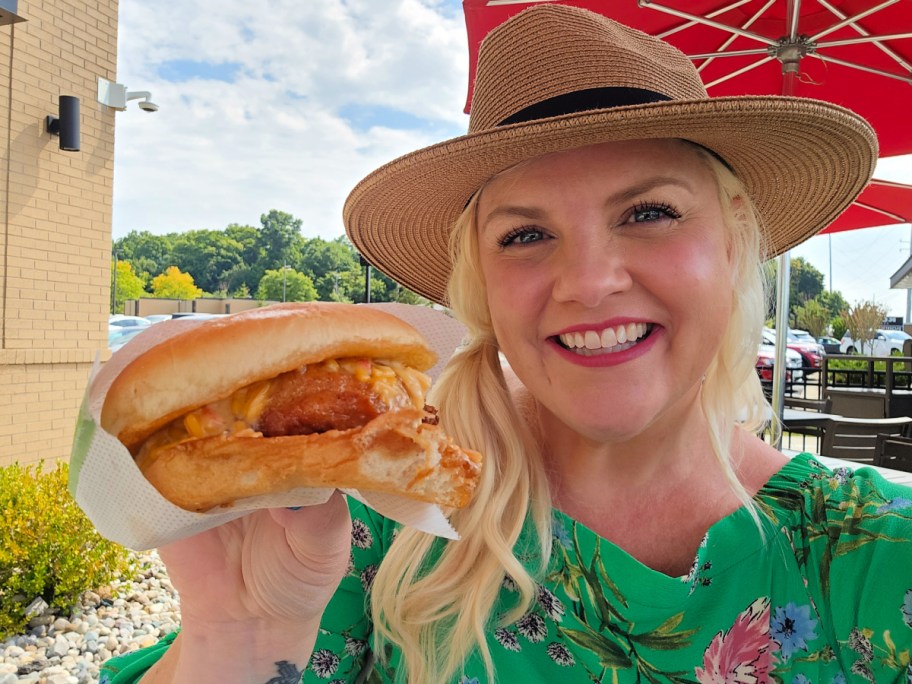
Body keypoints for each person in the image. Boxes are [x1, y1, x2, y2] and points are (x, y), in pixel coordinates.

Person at [100, 5, 912, 683]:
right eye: (525, 233)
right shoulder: (375, 522)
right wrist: (238, 637)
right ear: (480, 282)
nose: (589, 282)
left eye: (650, 212)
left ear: (735, 243)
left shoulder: (878, 554)